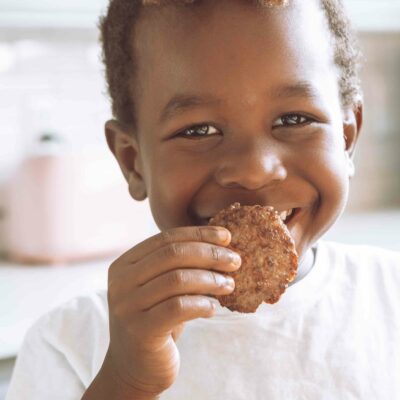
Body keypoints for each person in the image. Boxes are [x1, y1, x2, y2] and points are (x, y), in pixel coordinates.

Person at [6, 1, 400, 399]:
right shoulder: (70, 343)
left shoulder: (390, 297)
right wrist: (126, 382)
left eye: (294, 120)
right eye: (199, 130)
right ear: (133, 161)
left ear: (347, 139)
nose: (253, 170)